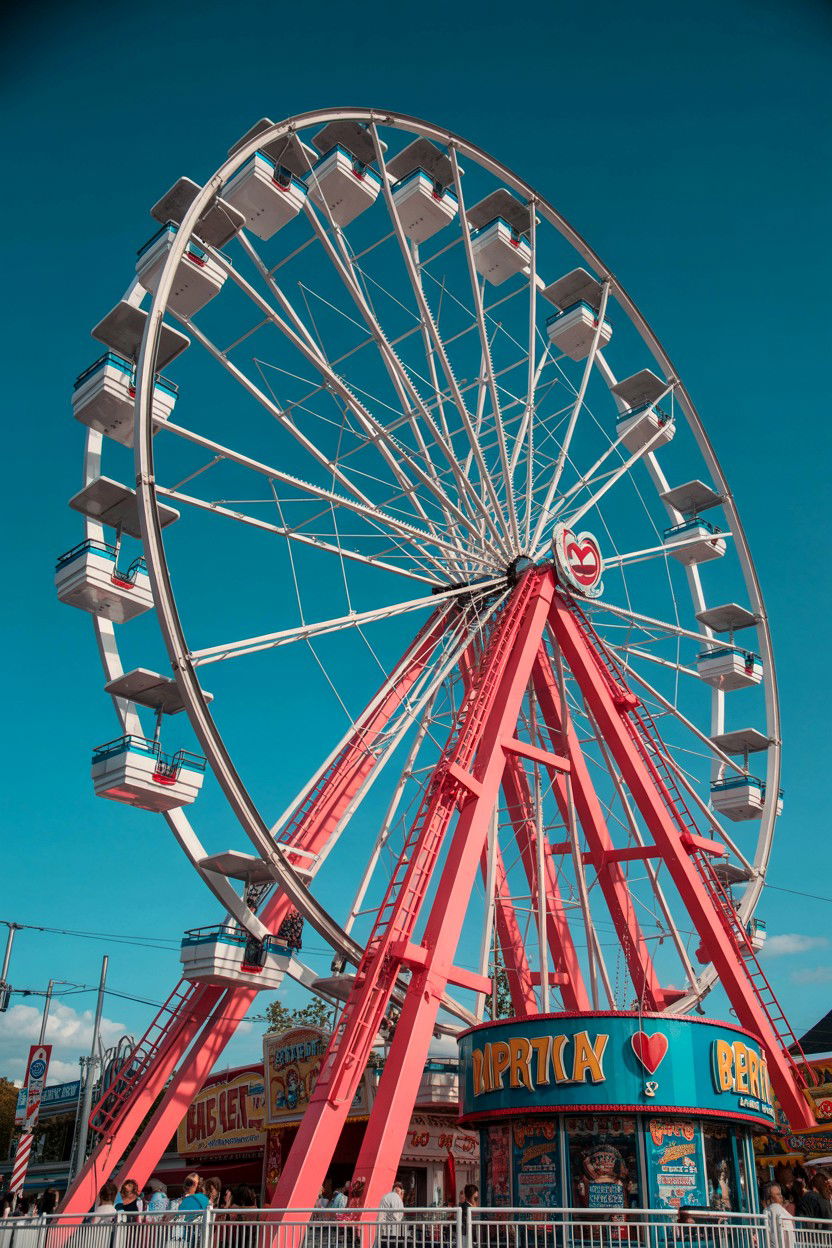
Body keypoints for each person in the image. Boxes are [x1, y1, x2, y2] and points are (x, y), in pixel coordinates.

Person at [764, 1184, 795, 1248]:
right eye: (777, 1194)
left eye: (780, 1194)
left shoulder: (780, 1210)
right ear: (771, 1198)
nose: (781, 1196)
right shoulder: (773, 1209)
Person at [379, 1182, 405, 1247]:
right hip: (393, 1231)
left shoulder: (385, 1196)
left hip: (383, 1230)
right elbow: (398, 1216)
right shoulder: (397, 1198)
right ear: (399, 1191)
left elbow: (381, 1214)